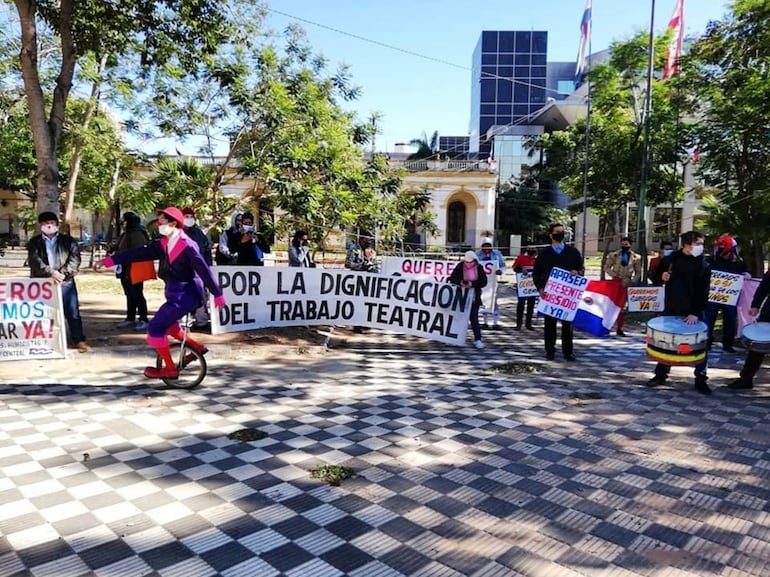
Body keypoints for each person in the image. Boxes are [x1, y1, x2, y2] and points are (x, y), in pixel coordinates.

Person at [96, 207, 226, 380]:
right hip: (174, 294)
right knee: (170, 325)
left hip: (185, 297)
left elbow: (204, 270)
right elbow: (140, 252)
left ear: (173, 223)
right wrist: (110, 260)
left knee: (155, 328)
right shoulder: (165, 242)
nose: (158, 224)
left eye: (162, 221)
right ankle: (197, 348)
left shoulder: (187, 245)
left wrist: (217, 294)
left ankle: (170, 370)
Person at [647, 230, 711, 394]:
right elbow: (655, 277)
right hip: (671, 307)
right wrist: (662, 276)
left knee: (700, 344)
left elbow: (704, 291)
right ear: (686, 245)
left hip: (693, 310)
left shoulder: (704, 264)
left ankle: (701, 378)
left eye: (701, 243)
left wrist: (696, 312)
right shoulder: (670, 259)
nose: (700, 247)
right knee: (666, 342)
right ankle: (660, 375)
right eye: (697, 243)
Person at [28, 211, 91, 352]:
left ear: (56, 224)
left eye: (51, 222)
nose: (48, 226)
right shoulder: (34, 242)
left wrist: (61, 275)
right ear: (40, 225)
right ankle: (45, 341)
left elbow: (75, 260)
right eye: (45, 223)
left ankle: (78, 340)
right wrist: (51, 272)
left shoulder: (68, 241)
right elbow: (34, 261)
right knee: (43, 313)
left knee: (72, 312)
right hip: (43, 284)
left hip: (65, 283)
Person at [533, 223, 584, 361]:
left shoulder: (573, 252)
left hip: (567, 296)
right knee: (550, 324)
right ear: (551, 235)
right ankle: (550, 350)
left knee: (567, 325)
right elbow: (536, 273)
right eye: (557, 232)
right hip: (549, 295)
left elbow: (581, 269)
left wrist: (577, 272)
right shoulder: (544, 254)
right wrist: (540, 288)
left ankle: (568, 352)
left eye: (562, 232)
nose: (560, 234)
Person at [704, 234, 749, 353]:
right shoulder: (710, 260)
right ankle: (706, 342)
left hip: (730, 298)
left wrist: (745, 275)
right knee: (708, 319)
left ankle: (727, 344)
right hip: (711, 297)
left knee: (730, 320)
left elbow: (745, 273)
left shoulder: (738, 263)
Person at [729, 267, 770, 389]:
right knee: (757, 347)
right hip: (768, 314)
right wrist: (755, 305)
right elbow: (763, 288)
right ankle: (746, 379)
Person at [115, 212, 151, 331]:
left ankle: (143, 319)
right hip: (125, 267)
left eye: (124, 221)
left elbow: (137, 252)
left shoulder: (137, 233)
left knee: (137, 294)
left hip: (135, 268)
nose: (122, 223)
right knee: (129, 294)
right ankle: (130, 317)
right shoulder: (126, 233)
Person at [448, 251, 488, 349]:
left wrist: (472, 284)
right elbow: (452, 278)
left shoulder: (479, 268)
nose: (468, 264)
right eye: (466, 262)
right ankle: (454, 338)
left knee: (473, 318)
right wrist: (460, 282)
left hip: (474, 297)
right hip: (460, 296)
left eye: (470, 262)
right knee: (458, 318)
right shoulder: (460, 266)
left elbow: (484, 282)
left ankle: (477, 339)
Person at [604, 236, 642, 336]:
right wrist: (614, 275)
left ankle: (619, 328)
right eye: (622, 244)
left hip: (627, 283)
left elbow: (638, 272)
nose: (624, 246)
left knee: (622, 308)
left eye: (626, 244)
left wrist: (633, 281)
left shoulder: (636, 257)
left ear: (630, 245)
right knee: (611, 305)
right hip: (615, 282)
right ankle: (607, 326)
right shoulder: (614, 255)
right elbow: (606, 267)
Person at [475, 238, 505, 329]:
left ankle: (495, 323)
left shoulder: (497, 254)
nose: (487, 247)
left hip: (493, 281)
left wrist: (501, 271)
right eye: (485, 246)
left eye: (488, 245)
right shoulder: (477, 255)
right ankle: (484, 322)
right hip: (481, 282)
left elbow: (503, 265)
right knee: (483, 300)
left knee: (494, 301)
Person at [512, 246, 538, 330]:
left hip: (533, 285)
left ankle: (528, 324)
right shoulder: (521, 257)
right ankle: (518, 324)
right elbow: (514, 267)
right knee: (521, 304)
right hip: (522, 285)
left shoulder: (537, 259)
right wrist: (521, 269)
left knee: (531, 304)